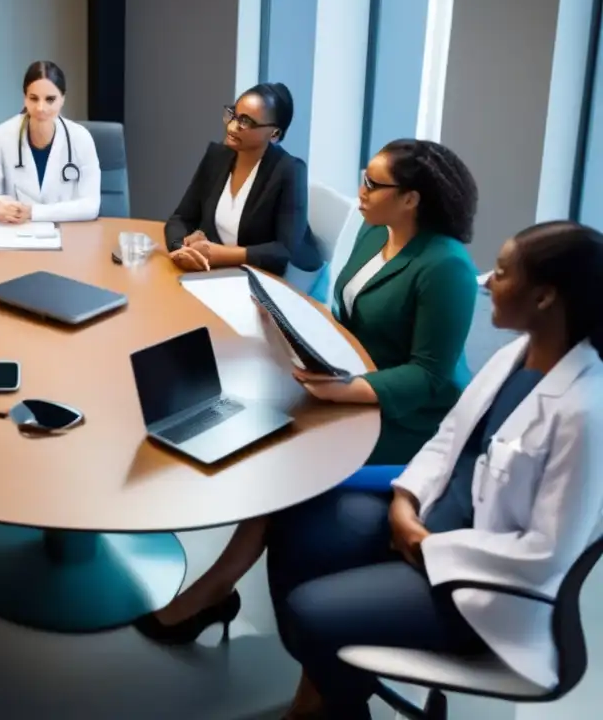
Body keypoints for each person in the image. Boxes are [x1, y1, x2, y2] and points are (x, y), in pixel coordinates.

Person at [135, 138, 479, 644]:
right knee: (257, 425)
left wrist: (349, 388)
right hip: (347, 378)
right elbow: (348, 314)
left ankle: (211, 594)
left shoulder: (447, 267)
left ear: (411, 199)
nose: (360, 191)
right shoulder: (372, 230)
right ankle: (214, 590)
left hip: (413, 419)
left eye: (373, 184)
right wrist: (292, 326)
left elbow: (429, 375)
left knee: (284, 462)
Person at [267, 220, 603, 719]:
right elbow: (451, 439)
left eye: (505, 273)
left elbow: (547, 553)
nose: (485, 280)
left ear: (545, 298)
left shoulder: (585, 410)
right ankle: (331, 691)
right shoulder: (519, 353)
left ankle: (333, 702)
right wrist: (404, 503)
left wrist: (427, 547)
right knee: (297, 525)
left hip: (483, 588)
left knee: (309, 610)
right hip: (428, 519)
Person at [163, 82, 322, 277]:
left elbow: (284, 251)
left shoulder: (289, 170)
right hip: (217, 274)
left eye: (246, 121)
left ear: (274, 133)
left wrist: (222, 255)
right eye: (233, 115)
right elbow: (181, 218)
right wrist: (182, 248)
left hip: (267, 279)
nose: (232, 126)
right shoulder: (217, 156)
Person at [0, 60, 101, 223]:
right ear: (25, 99)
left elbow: (91, 205)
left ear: (63, 99)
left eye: (50, 99)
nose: (41, 108)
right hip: (15, 234)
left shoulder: (81, 139)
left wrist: (34, 212)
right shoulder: (2, 135)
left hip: (68, 235)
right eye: (34, 99)